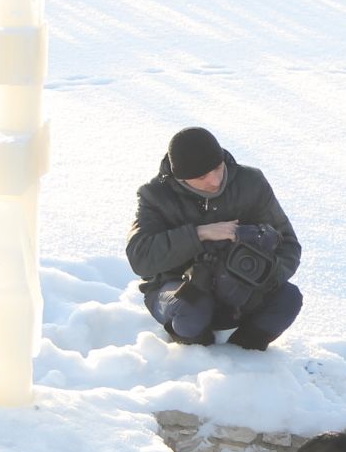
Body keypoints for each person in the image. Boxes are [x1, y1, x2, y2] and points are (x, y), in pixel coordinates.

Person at [126, 127, 302, 350]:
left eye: (218, 168)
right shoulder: (155, 196)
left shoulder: (251, 182)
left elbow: (288, 243)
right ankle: (197, 354)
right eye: (201, 177)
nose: (215, 180)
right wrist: (200, 234)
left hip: (239, 288)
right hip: (180, 292)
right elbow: (140, 257)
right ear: (181, 178)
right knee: (191, 309)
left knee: (288, 299)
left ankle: (244, 354)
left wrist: (267, 275)